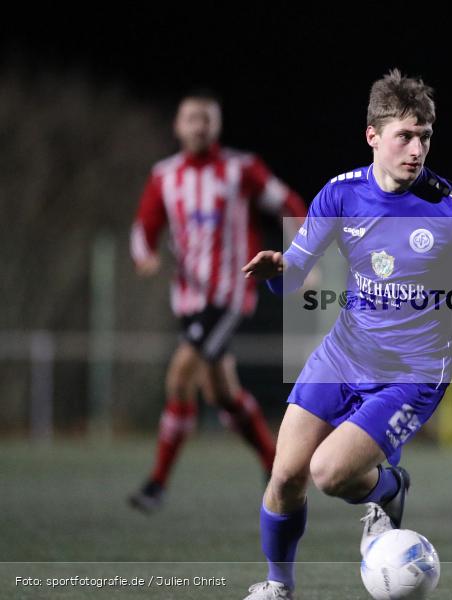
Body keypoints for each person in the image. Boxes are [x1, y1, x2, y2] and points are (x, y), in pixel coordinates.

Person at [239, 69, 452, 600]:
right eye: (405, 135)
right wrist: (277, 275)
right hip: (343, 354)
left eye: (425, 135)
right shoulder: (340, 195)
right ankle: (278, 586)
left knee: (329, 474)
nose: (417, 148)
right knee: (286, 476)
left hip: (412, 376)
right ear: (372, 136)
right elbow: (291, 279)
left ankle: (390, 488)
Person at [129, 91, 307, 513]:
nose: (199, 126)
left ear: (217, 126)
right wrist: (145, 255)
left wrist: (303, 250)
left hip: (230, 292)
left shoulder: (239, 169)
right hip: (188, 298)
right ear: (178, 125)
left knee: (180, 376)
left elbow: (288, 202)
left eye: (206, 119)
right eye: (191, 118)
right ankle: (273, 462)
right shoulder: (165, 176)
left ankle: (156, 484)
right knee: (222, 392)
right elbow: (144, 226)